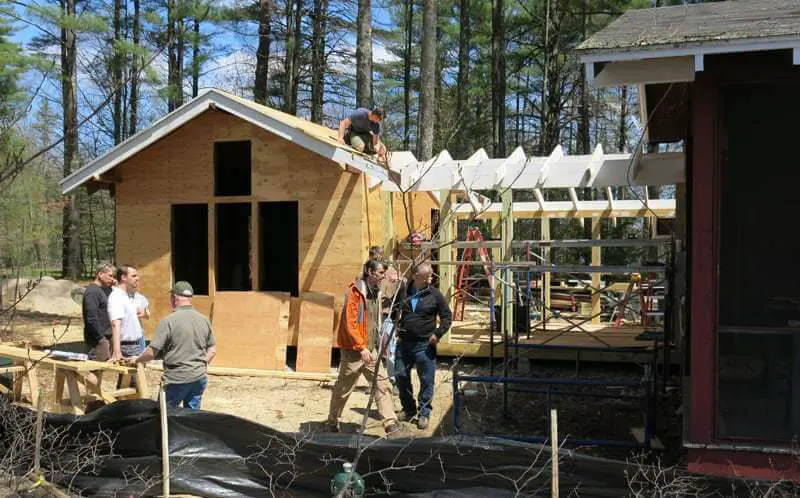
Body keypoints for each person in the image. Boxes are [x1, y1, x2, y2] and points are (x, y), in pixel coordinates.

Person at [326, 259, 401, 435]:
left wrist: (396, 278)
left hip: (370, 349)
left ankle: (390, 423)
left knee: (382, 384)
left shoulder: (377, 290)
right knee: (344, 389)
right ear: (369, 271)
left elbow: (399, 287)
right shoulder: (355, 293)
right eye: (380, 273)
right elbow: (350, 323)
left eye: (384, 273)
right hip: (354, 351)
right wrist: (361, 348)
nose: (383, 276)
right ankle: (332, 421)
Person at [127, 281, 216, 409]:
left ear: (174, 298)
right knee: (191, 417)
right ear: (190, 299)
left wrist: (136, 359)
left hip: (176, 378)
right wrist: (202, 363)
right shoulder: (204, 320)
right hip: (199, 377)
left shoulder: (168, 321)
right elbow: (212, 349)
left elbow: (152, 352)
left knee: (164, 415)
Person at [394, 263, 452, 430]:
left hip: (424, 345)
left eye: (431, 275)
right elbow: (393, 310)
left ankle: (424, 413)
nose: (431, 278)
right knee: (400, 375)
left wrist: (438, 333)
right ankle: (409, 409)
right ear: (416, 276)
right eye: (428, 275)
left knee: (426, 380)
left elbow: (447, 317)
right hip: (404, 343)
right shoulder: (403, 291)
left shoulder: (434, 295)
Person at [82, 262, 115, 384]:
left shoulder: (103, 290)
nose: (112, 279)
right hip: (97, 340)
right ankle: (90, 400)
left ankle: (94, 400)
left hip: (104, 337)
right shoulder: (92, 292)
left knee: (99, 370)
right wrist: (100, 338)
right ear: (100, 274)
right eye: (110, 276)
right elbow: (91, 317)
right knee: (95, 369)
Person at [107, 264, 145, 362]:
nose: (137, 278)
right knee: (134, 377)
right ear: (123, 277)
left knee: (127, 378)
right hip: (128, 348)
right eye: (133, 276)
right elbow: (115, 324)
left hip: (136, 345)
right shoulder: (116, 296)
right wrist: (117, 351)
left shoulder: (127, 296)